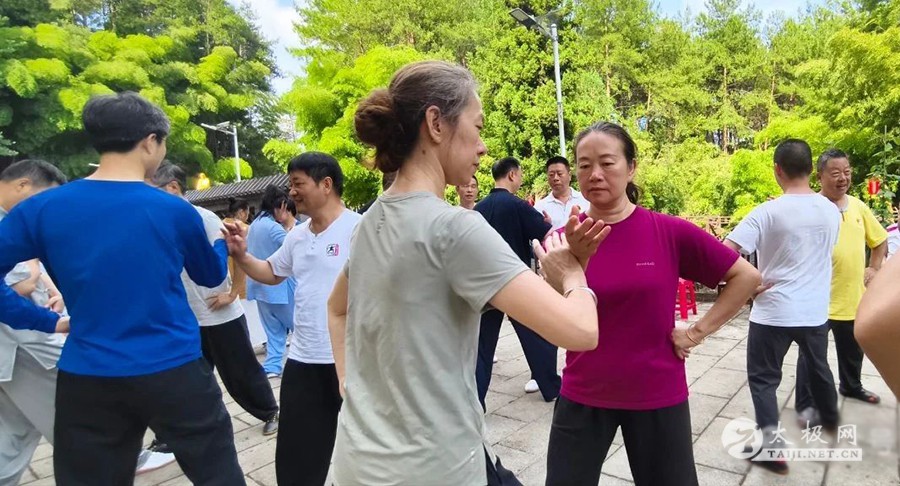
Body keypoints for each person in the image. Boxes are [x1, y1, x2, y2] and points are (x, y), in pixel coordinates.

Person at [328, 60, 607, 486]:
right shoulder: (454, 227)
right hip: (437, 468)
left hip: (356, 463)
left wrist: (348, 382)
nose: (482, 147)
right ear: (436, 123)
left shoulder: (368, 223)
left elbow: (336, 309)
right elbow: (581, 332)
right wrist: (572, 274)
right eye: (477, 128)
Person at [0, 92, 244, 484]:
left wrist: (41, 321)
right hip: (174, 368)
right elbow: (209, 276)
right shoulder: (173, 210)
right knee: (216, 472)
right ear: (150, 141)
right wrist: (222, 245)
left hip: (89, 374)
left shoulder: (41, 209)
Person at [544, 122, 759, 486]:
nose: (594, 174)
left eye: (607, 163)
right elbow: (549, 316)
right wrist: (571, 265)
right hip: (584, 391)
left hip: (656, 392)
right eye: (584, 165)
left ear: (631, 167)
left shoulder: (667, 231)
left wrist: (696, 332)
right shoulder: (562, 241)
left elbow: (746, 277)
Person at [224, 152, 360, 486]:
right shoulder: (297, 236)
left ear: (326, 184)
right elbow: (272, 272)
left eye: (298, 184)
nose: (292, 192)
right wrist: (242, 255)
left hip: (353, 361)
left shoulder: (359, 230)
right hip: (303, 360)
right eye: (290, 185)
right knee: (296, 459)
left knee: (367, 455)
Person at [724, 139, 841, 476]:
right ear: (812, 169)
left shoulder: (766, 212)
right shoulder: (831, 211)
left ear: (777, 169)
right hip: (814, 313)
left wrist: (750, 284)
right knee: (819, 368)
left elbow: (726, 252)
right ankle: (831, 423)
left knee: (764, 381)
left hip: (772, 312)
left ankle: (772, 451)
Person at [151, 162, 279, 436]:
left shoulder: (205, 219)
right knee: (188, 377)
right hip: (187, 317)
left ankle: (270, 411)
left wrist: (232, 294)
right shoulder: (158, 224)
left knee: (240, 372)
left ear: (172, 187)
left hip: (220, 314)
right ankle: (180, 431)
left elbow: (237, 255)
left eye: (153, 190)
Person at [794, 149, 888, 424]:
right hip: (817, 301)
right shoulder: (808, 208)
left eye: (847, 172)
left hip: (852, 298)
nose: (843, 178)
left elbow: (879, 241)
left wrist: (874, 267)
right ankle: (805, 405)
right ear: (819, 176)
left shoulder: (858, 207)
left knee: (852, 352)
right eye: (835, 173)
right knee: (810, 358)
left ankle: (851, 386)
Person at [0, 160, 68, 485]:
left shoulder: (12, 222)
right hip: (23, 348)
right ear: (23, 185)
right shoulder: (7, 225)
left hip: (18, 347)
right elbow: (19, 285)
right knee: (72, 419)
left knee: (16, 430)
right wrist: (52, 323)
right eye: (43, 198)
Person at [475, 156, 559, 403]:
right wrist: (547, 223)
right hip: (515, 283)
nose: (520, 179)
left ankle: (476, 400)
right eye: (520, 174)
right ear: (512, 174)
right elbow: (546, 232)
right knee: (537, 335)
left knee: (482, 348)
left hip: (485, 286)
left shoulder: (478, 209)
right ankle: (551, 387)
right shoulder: (517, 205)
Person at [246, 185, 297, 377]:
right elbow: (294, 246)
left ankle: (273, 366)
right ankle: (299, 364)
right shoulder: (273, 227)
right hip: (279, 286)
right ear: (280, 205)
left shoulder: (255, 225)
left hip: (259, 287)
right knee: (298, 325)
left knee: (273, 330)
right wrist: (290, 227)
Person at [534, 156, 589, 230]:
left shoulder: (586, 200)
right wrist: (546, 228)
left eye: (559, 174)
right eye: (551, 175)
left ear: (569, 176)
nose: (555, 178)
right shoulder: (540, 208)